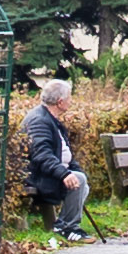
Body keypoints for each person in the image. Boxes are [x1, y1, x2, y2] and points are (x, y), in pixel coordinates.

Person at [22, 77, 88, 244]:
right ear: (60, 102)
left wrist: (74, 170)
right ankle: (67, 227)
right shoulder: (39, 121)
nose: (71, 101)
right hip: (38, 177)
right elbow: (41, 155)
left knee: (81, 181)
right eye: (69, 98)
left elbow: (64, 152)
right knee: (78, 180)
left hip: (49, 174)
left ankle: (64, 224)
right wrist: (64, 174)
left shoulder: (51, 119)